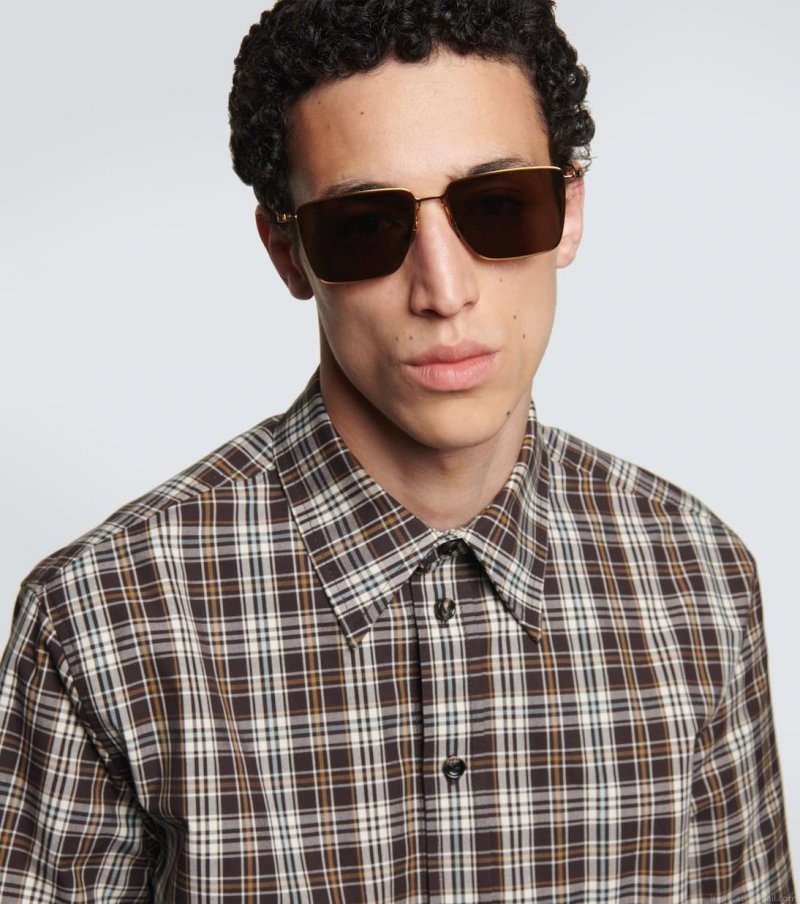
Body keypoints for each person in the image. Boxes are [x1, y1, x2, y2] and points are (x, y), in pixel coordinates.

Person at [0, 0, 793, 899]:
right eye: (365, 226)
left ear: (569, 210)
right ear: (287, 252)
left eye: (498, 207)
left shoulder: (701, 581)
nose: (443, 290)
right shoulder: (100, 619)